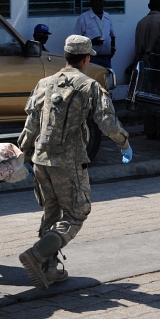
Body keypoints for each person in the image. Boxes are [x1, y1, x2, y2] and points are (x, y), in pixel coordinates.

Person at [17, 35, 132, 290]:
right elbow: (108, 123)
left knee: (52, 212)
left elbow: (30, 125)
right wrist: (124, 143)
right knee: (77, 213)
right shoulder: (90, 86)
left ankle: (49, 268)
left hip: (40, 161)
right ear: (87, 58)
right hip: (68, 163)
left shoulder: (44, 83)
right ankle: (36, 255)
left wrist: (23, 156)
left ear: (66, 56)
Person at [134, 0, 160, 140]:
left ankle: (149, 130)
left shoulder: (141, 23)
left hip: (144, 60)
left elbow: (138, 48)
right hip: (159, 60)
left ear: (149, 5)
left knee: (147, 96)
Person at [73, 0, 116, 70]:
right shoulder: (83, 18)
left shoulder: (107, 17)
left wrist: (113, 49)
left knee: (106, 81)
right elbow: (76, 41)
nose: (97, 3)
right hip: (90, 59)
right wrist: (92, 42)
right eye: (95, 1)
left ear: (104, 2)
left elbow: (112, 36)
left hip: (105, 59)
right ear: (91, 2)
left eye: (100, 1)